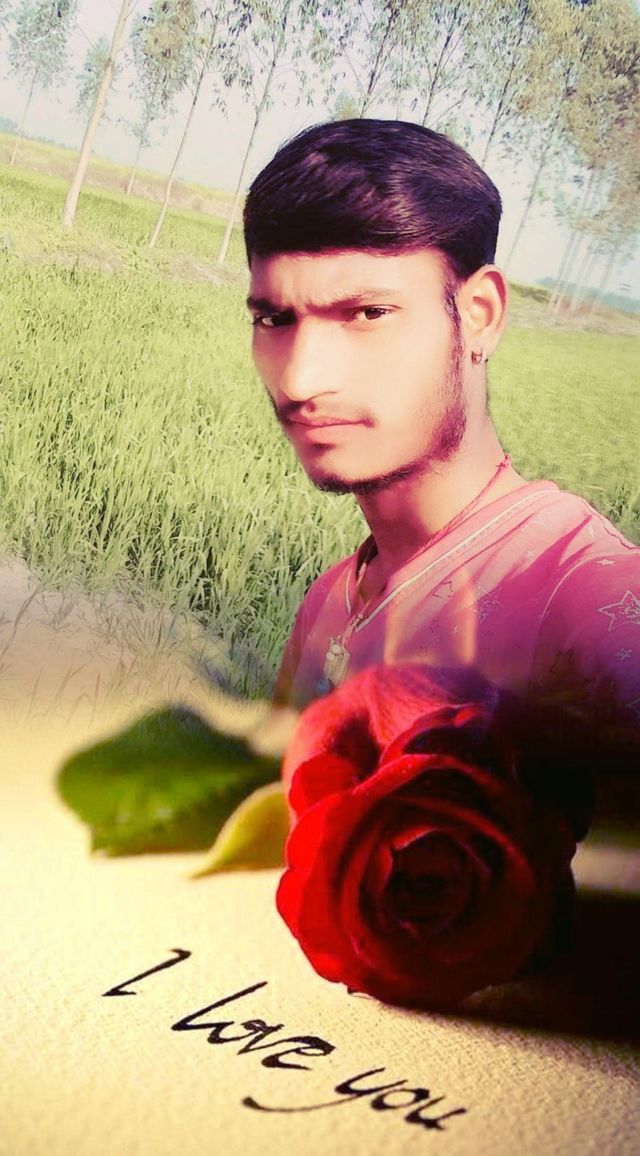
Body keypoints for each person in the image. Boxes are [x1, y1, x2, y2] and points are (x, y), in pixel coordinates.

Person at [243, 118, 640, 736]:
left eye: (368, 313)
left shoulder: (586, 601)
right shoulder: (327, 603)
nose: (299, 380)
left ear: (479, 315)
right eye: (274, 319)